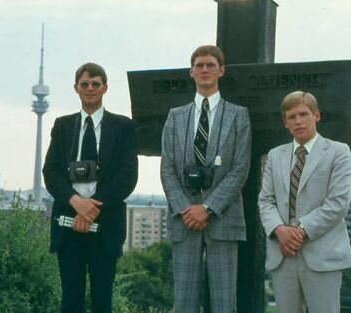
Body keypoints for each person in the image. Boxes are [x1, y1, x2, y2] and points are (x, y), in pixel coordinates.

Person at [160, 45, 251, 313]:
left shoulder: (238, 115)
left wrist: (208, 208)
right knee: (184, 304)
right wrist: (187, 209)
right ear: (191, 71)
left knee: (225, 303)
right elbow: (167, 168)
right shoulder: (175, 117)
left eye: (210, 64)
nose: (204, 69)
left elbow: (240, 168)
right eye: (199, 65)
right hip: (184, 218)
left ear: (221, 71)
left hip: (223, 217)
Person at [42, 62, 138, 313]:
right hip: (67, 223)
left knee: (102, 303)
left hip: (105, 225)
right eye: (84, 84)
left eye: (96, 84)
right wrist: (75, 203)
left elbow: (127, 177)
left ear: (105, 88)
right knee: (70, 302)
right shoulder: (63, 126)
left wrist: (91, 208)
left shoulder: (124, 127)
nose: (90, 88)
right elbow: (50, 172)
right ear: (76, 88)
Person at [259, 91, 351, 313]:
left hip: (322, 254)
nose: (298, 121)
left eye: (303, 114)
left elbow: (338, 203)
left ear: (317, 115)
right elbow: (265, 200)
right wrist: (280, 230)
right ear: (285, 122)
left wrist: (300, 231)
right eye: (291, 117)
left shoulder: (338, 152)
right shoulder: (275, 155)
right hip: (283, 254)